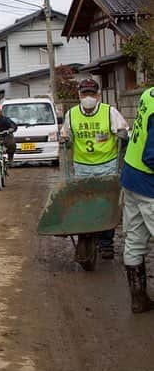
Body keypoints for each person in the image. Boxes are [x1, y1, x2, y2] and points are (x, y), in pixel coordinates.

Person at [60, 78, 129, 259]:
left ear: (98, 95)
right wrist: (65, 139)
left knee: (105, 206)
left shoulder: (109, 112)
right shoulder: (72, 114)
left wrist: (123, 135)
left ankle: (106, 242)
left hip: (107, 165)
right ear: (79, 95)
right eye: (85, 94)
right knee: (84, 204)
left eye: (91, 93)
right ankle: (86, 234)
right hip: (82, 166)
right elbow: (66, 134)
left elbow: (124, 130)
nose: (88, 97)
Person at [121, 86, 154, 314]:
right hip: (148, 185)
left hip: (131, 177)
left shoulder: (148, 94)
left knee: (134, 239)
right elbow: (152, 157)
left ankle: (138, 300)